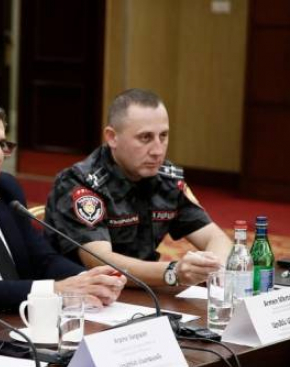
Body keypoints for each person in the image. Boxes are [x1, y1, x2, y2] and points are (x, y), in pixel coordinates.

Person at [0, 98, 125, 312]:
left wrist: (90, 280)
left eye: (1, 144)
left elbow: (42, 258)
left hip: (24, 317)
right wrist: (54, 291)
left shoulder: (5, 188)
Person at [46, 89, 232, 287]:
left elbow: (216, 237)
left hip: (146, 291)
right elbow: (99, 261)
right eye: (145, 138)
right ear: (112, 137)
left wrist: (214, 267)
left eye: (163, 136)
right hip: (83, 293)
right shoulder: (80, 183)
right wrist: (172, 272)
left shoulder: (166, 179)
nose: (158, 150)